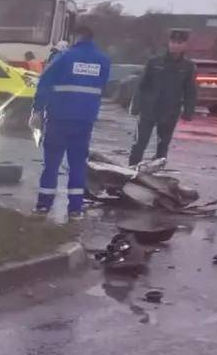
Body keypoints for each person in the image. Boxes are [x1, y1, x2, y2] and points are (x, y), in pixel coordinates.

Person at [31, 25, 110, 218]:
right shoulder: (103, 60)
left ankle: (44, 205)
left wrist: (37, 109)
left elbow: (45, 83)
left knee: (52, 162)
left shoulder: (64, 57)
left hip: (60, 117)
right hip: (85, 119)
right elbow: (102, 87)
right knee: (77, 163)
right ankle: (75, 208)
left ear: (75, 36)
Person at [128, 30, 196, 166]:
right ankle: (130, 170)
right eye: (173, 42)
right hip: (148, 110)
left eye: (179, 42)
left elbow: (190, 91)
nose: (175, 45)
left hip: (170, 112)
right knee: (140, 143)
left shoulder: (188, 67)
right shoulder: (154, 62)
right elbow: (142, 85)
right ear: (169, 42)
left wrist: (188, 111)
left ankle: (157, 173)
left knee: (163, 145)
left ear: (185, 45)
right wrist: (135, 106)